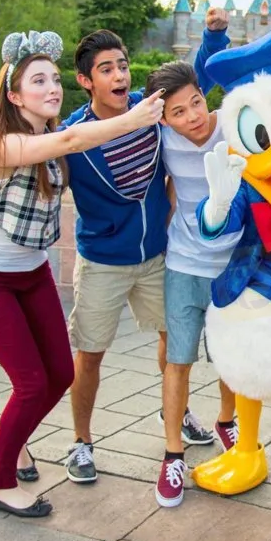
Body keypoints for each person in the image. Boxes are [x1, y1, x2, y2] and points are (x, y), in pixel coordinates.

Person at [0, 31, 164, 518]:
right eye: (38, 80)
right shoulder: (5, 141)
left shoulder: (48, 142)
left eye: (55, 79)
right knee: (31, 384)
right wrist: (132, 118)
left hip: (33, 271)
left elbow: (9, 190)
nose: (52, 87)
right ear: (15, 95)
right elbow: (70, 140)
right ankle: (0, 483)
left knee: (60, 373)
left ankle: (16, 439)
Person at [61, 30, 177, 483]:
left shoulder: (151, 112)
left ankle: (175, 412)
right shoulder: (74, 134)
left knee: (175, 342)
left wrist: (213, 36)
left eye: (122, 66)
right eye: (106, 69)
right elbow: (33, 176)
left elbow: (192, 84)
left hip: (155, 256)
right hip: (102, 261)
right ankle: (81, 441)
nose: (119, 76)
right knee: (90, 353)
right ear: (85, 80)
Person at [148, 58, 241, 508]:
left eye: (196, 103)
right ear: (164, 119)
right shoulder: (161, 138)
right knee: (178, 361)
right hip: (184, 264)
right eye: (179, 112)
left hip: (233, 264)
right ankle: (173, 455)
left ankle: (228, 421)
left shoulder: (235, 126)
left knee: (233, 360)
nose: (193, 117)